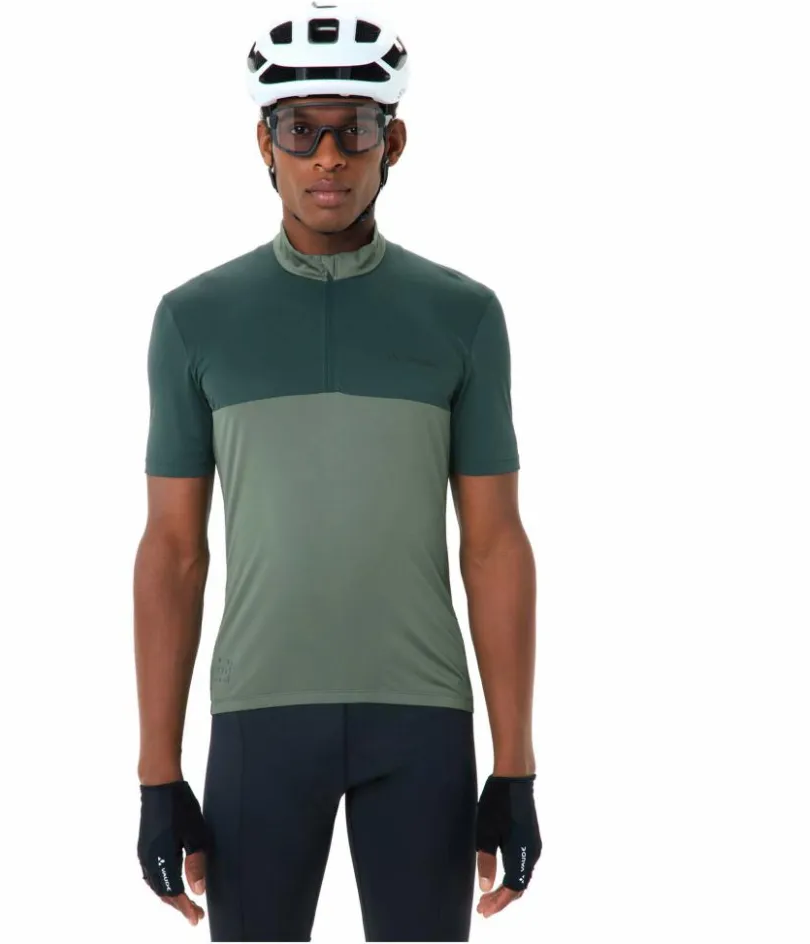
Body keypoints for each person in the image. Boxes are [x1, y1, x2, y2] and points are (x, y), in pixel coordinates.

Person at [133, 2, 542, 940]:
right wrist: (158, 774)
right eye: (300, 130)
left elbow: (494, 546)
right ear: (264, 143)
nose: (327, 157)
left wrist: (515, 766)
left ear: (392, 141)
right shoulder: (195, 319)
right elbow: (173, 553)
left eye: (353, 129)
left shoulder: (464, 316)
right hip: (260, 720)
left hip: (422, 722)